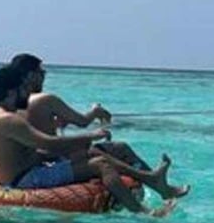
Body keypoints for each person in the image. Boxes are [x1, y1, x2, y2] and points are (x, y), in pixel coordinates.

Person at [0, 64, 189, 216]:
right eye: (23, 89)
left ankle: (152, 179)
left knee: (91, 153)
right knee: (101, 165)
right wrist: (90, 136)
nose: (28, 93)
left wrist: (83, 145)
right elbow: (48, 143)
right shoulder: (8, 120)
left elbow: (32, 150)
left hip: (26, 171)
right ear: (11, 92)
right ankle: (144, 213)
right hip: (25, 180)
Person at [9, 52, 156, 173]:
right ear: (30, 75)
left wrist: (54, 123)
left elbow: (32, 126)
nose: (44, 76)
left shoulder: (11, 101)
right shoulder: (46, 99)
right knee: (121, 148)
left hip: (34, 158)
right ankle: (152, 180)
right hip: (51, 156)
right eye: (41, 72)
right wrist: (96, 112)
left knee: (95, 150)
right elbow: (82, 122)